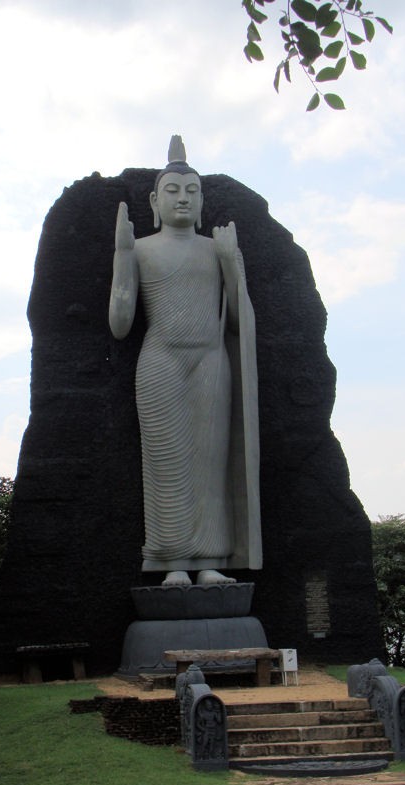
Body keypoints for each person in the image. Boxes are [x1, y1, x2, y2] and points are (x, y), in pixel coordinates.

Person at [109, 136, 261, 586]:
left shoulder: (215, 250)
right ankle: (171, 560)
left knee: (211, 464)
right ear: (155, 201)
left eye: (192, 191)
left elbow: (239, 321)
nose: (183, 198)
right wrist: (121, 254)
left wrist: (232, 263)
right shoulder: (141, 248)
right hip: (162, 362)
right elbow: (120, 323)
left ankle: (211, 559)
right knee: (167, 464)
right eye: (173, 190)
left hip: (211, 360)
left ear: (202, 201)